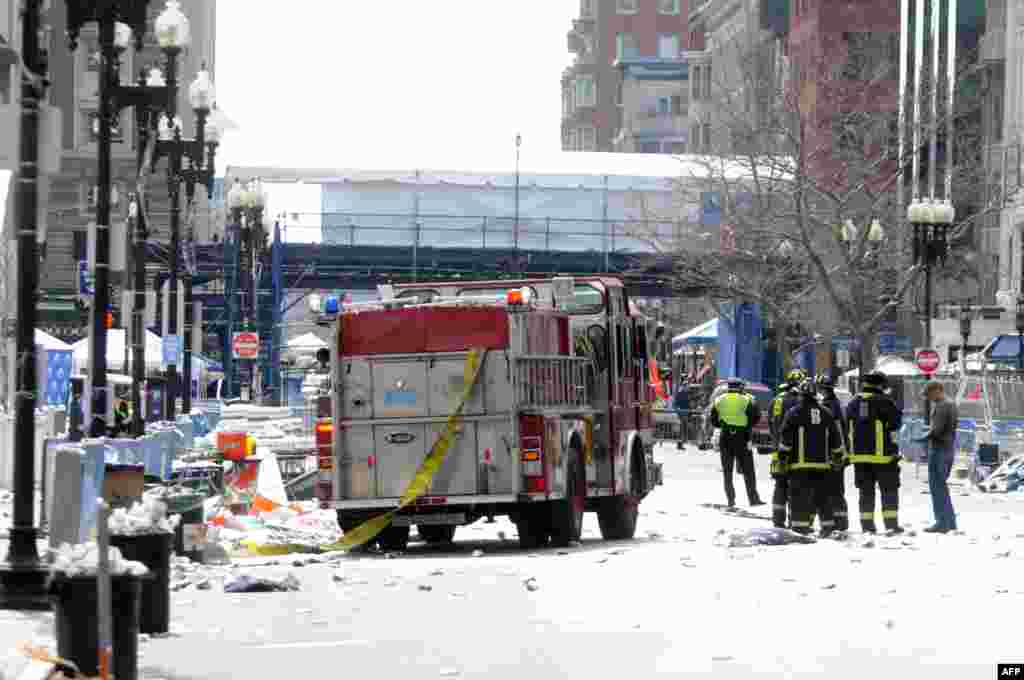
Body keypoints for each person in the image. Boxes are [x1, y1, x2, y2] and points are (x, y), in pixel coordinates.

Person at [779, 378, 845, 537]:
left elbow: (785, 439)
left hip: (799, 467)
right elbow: (836, 438)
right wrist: (837, 457)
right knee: (823, 499)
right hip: (823, 466)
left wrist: (783, 458)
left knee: (799, 498)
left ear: (801, 395)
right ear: (815, 395)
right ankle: (827, 527)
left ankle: (800, 529)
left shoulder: (794, 413)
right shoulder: (826, 413)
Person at [845, 370, 904, 534]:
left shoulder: (853, 403)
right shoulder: (885, 401)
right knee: (889, 490)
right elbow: (896, 424)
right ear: (881, 385)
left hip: (859, 457)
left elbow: (845, 426)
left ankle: (867, 526)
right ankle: (891, 525)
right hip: (883, 457)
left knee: (865, 492)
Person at [709, 378, 764, 508]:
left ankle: (731, 500)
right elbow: (756, 417)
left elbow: (713, 419)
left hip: (725, 437)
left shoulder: (719, 399)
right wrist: (746, 426)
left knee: (727, 471)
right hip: (742, 438)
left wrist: (723, 424)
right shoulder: (747, 399)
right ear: (740, 387)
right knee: (748, 470)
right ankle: (753, 499)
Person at [918, 381, 958, 533]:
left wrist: (921, 438)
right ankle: (949, 522)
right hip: (947, 449)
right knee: (941, 486)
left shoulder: (942, 405)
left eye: (929, 394)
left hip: (939, 450)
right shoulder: (951, 404)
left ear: (937, 390)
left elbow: (937, 430)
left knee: (937, 487)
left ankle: (942, 522)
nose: (928, 398)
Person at [768, 370, 804, 528]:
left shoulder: (777, 400)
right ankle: (794, 519)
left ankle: (778, 518)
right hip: (796, 450)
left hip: (777, 449)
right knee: (796, 485)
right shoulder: (800, 401)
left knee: (780, 484)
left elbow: (771, 423)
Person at [817, 373, 849, 531]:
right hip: (839, 454)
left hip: (832, 454)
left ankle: (833, 524)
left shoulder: (828, 406)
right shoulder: (836, 404)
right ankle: (841, 523)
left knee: (830, 490)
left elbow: (831, 433)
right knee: (837, 490)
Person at [673, 380, 691, 445]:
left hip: (686, 413)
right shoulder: (680, 393)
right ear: (684, 386)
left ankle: (683, 441)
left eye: (688, 386)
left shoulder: (687, 393)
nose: (688, 387)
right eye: (687, 386)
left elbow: (688, 403)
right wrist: (678, 411)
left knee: (684, 428)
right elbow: (675, 404)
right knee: (681, 428)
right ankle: (680, 442)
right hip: (682, 413)